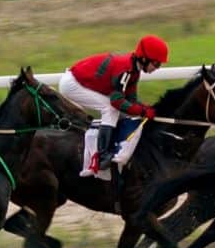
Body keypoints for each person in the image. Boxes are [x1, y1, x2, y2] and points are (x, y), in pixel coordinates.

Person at [60, 35, 168, 173]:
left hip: (79, 79)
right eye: (157, 63)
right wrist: (142, 112)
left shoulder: (134, 71)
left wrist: (147, 108)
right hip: (72, 84)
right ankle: (102, 155)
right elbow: (117, 101)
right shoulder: (126, 70)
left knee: (116, 110)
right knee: (110, 109)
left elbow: (131, 101)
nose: (157, 68)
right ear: (144, 58)